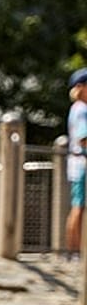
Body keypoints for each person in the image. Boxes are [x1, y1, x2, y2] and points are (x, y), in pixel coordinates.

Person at [66, 69, 87, 255]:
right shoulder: (82, 109)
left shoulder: (76, 108)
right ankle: (76, 251)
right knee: (79, 206)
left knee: (77, 205)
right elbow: (84, 138)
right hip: (82, 163)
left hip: (76, 161)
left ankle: (74, 251)